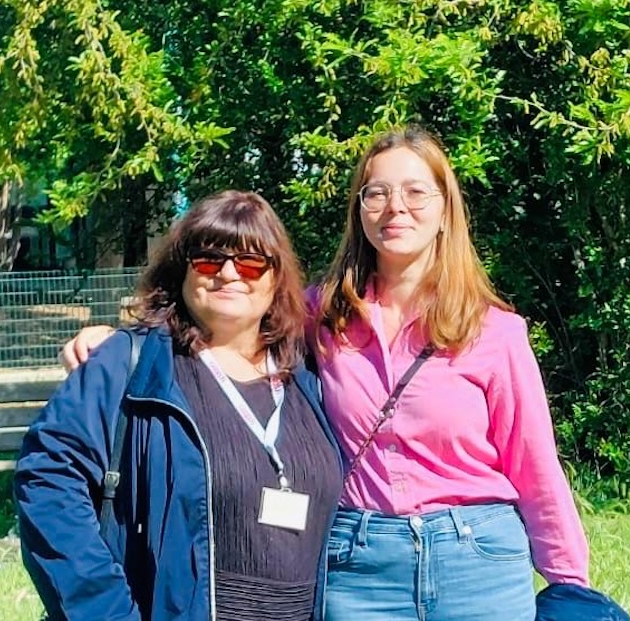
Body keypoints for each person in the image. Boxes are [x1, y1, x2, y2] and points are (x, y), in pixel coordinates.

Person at [60, 126, 590, 620]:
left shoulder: (494, 332)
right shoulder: (320, 317)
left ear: (445, 209)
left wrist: (571, 586)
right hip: (360, 566)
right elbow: (226, 322)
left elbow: (535, 467)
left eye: (415, 192)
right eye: (377, 193)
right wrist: (122, 344)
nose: (395, 207)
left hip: (476, 559)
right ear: (359, 210)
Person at [15, 190, 344, 621]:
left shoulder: (309, 376)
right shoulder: (130, 364)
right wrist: (107, 613)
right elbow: (49, 484)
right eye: (208, 260)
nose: (228, 273)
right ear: (181, 270)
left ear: (276, 277)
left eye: (250, 262)